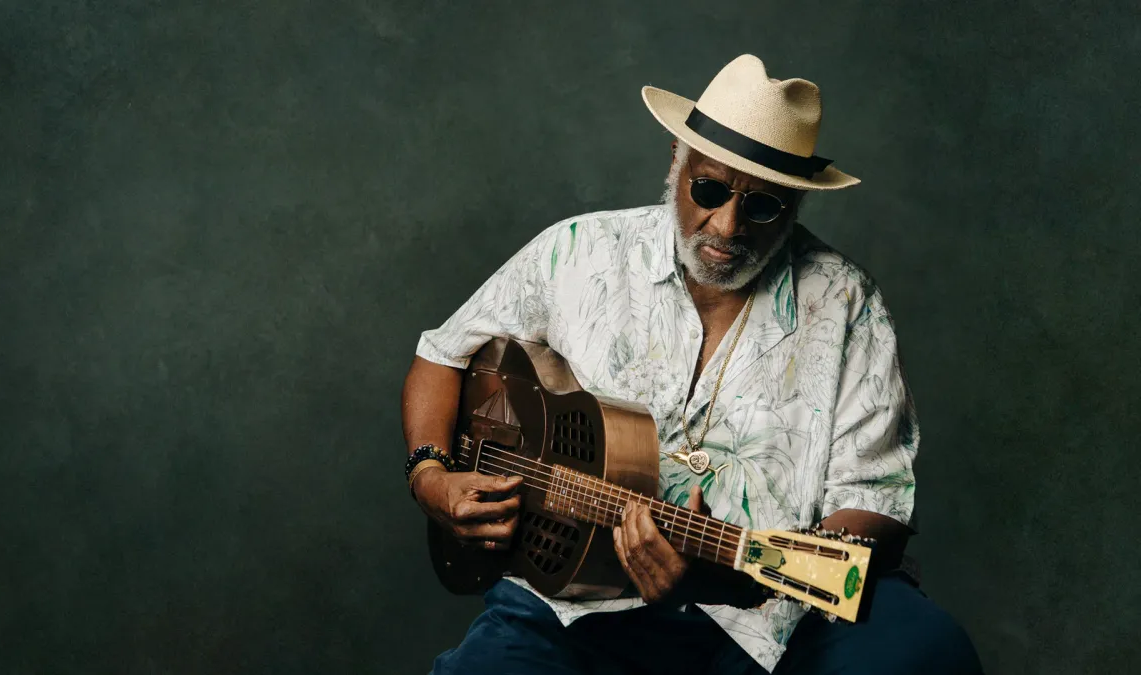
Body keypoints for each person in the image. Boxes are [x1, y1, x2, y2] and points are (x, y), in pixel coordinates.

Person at [400, 54, 983, 674]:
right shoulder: (577, 251)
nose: (727, 226)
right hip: (568, 603)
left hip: (770, 619)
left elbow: (875, 500)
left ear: (794, 204)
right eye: (709, 190)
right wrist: (430, 476)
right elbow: (442, 354)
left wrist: (732, 576)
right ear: (676, 162)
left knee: (926, 650)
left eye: (763, 207)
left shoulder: (844, 300)